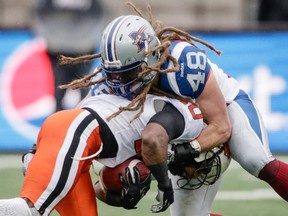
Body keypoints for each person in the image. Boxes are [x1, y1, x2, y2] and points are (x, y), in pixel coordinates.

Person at [57, 2, 288, 213]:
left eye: (129, 73)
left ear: (152, 56)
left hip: (224, 110)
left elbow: (221, 126)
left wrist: (184, 151)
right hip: (177, 135)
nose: (120, 83)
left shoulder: (184, 65)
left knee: (256, 159)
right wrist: (116, 192)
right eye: (113, 74)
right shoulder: (104, 92)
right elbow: (91, 164)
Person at [0, 93, 228, 216]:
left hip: (80, 153)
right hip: (75, 132)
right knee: (29, 211)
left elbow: (104, 185)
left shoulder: (159, 150)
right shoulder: (188, 120)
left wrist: (125, 196)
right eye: (203, 166)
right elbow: (152, 137)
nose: (195, 173)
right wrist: (164, 184)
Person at [31, 0, 104, 111]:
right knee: (60, 92)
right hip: (61, 48)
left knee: (83, 93)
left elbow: (100, 12)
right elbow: (38, 13)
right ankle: (61, 122)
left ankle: (83, 119)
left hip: (82, 48)